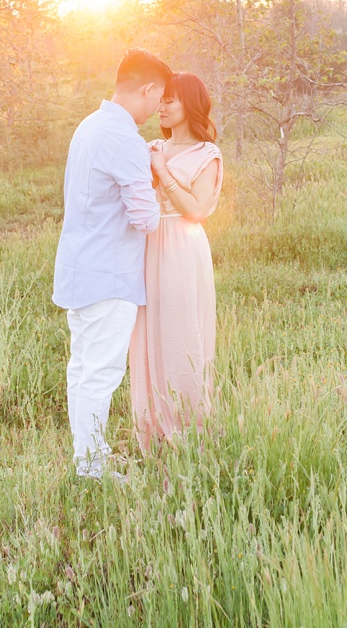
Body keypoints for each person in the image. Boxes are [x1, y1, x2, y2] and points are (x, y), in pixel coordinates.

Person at [53, 48, 172, 479]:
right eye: (158, 100)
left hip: (80, 268)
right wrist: (157, 178)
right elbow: (144, 218)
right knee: (100, 374)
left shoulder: (89, 125)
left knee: (83, 368)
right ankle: (92, 468)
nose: (157, 109)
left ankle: (89, 455)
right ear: (148, 89)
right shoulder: (124, 138)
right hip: (110, 274)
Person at [129, 72, 223, 449]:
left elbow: (196, 211)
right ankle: (152, 433)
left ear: (190, 104)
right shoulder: (151, 147)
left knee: (183, 335)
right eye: (161, 99)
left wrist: (163, 173)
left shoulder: (207, 154)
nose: (162, 106)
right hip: (148, 246)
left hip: (183, 249)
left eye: (171, 100)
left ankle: (189, 433)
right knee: (148, 334)